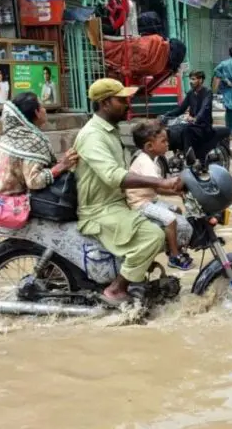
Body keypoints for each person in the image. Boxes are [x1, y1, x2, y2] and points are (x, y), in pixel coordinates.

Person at [74, 78, 184, 305]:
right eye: (122, 100)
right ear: (105, 103)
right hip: (100, 209)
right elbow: (114, 176)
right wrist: (161, 183)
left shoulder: (111, 131)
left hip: (117, 203)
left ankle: (139, 277)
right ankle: (116, 289)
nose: (128, 104)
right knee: (153, 236)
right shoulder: (93, 135)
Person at [0, 92, 77, 197]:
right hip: (10, 204)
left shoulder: (8, 136)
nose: (45, 110)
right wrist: (61, 166)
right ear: (37, 112)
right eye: (42, 107)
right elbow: (34, 181)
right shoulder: (32, 140)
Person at [126, 121, 193, 270]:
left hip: (150, 199)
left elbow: (157, 189)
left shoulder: (152, 160)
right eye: (163, 141)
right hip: (140, 204)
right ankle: (174, 256)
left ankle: (171, 247)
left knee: (177, 209)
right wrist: (177, 186)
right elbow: (159, 187)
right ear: (149, 146)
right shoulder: (145, 163)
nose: (167, 144)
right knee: (170, 219)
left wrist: (178, 192)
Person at [178, 70, 214, 161]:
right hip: (193, 125)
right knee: (178, 128)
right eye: (190, 79)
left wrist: (195, 118)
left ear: (200, 80)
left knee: (187, 129)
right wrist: (165, 116)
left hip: (204, 126)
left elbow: (204, 108)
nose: (191, 81)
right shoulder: (190, 93)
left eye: (193, 79)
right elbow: (181, 109)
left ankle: (190, 159)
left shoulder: (207, 92)